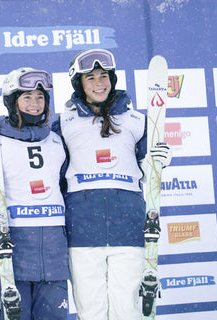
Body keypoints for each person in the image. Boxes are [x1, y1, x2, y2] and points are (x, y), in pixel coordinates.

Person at [52, 49, 172, 320]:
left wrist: (161, 158)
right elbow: (50, 171)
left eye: (103, 76)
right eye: (91, 78)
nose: (99, 83)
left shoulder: (136, 120)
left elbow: (149, 164)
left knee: (127, 310)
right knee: (91, 311)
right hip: (82, 232)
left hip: (128, 228)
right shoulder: (64, 123)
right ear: (79, 85)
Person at [0, 68, 69, 320]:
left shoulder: (56, 142)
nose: (35, 104)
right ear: (12, 102)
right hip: (8, 260)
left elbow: (66, 189)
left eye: (40, 97)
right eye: (27, 97)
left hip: (53, 261)